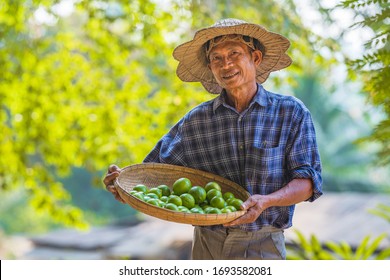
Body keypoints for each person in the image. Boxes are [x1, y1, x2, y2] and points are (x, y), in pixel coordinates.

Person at [103, 18, 323, 260]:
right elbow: (150, 176)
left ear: (256, 58)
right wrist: (121, 183)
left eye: (234, 53)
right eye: (216, 58)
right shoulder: (196, 121)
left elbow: (308, 183)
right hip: (207, 246)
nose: (225, 64)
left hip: (263, 244)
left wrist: (266, 201)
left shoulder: (290, 112)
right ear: (210, 67)